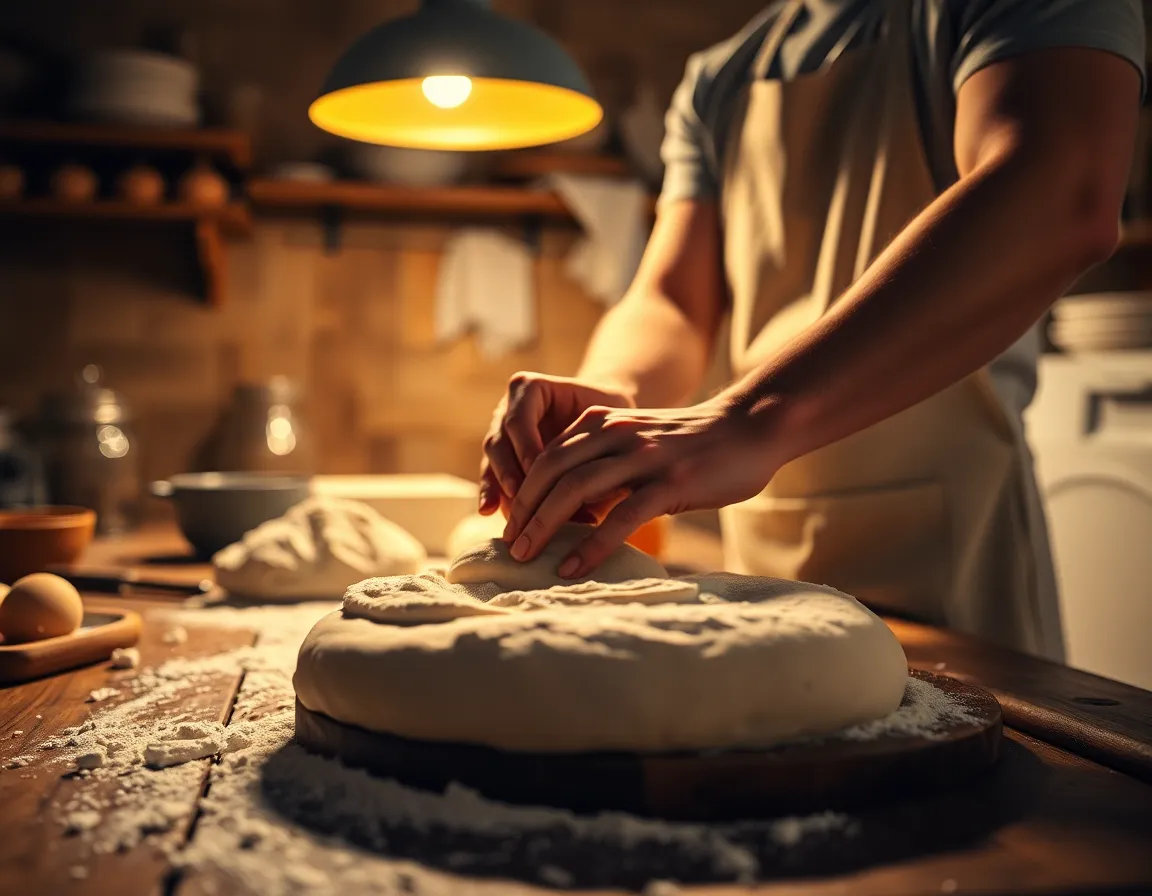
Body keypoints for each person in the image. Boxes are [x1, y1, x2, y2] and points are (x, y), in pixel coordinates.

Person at [479, 0, 1145, 659]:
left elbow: (1062, 190)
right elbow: (674, 300)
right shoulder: (723, 77)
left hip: (961, 570)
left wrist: (751, 418)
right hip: (766, 575)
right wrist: (611, 393)